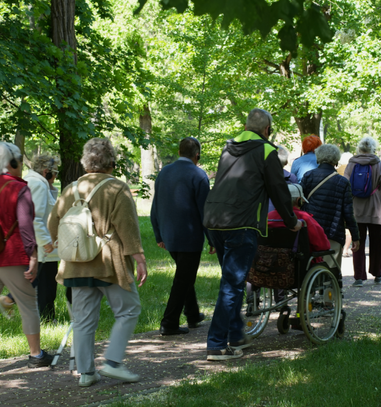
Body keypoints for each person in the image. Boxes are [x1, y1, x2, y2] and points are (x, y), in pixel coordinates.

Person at [48, 138, 147, 387]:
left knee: (82, 320)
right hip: (107, 262)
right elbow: (128, 227)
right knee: (129, 309)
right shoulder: (116, 188)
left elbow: (53, 223)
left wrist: (57, 242)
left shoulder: (71, 188)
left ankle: (87, 373)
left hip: (76, 263)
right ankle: (113, 363)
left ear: (85, 162)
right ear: (111, 162)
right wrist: (139, 258)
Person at [203, 108, 300, 361]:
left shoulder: (229, 148)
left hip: (214, 221)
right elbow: (279, 191)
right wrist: (291, 222)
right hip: (241, 222)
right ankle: (216, 345)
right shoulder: (268, 151)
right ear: (267, 129)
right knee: (232, 285)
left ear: (247, 127)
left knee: (231, 282)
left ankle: (235, 334)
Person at [0, 142, 53, 378]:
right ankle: (36, 355)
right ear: (12, 162)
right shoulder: (19, 189)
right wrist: (33, 255)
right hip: (12, 255)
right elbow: (26, 225)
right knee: (27, 303)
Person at [150, 137, 214, 336]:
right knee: (183, 279)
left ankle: (193, 314)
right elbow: (206, 212)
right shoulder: (199, 175)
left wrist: (158, 233)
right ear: (197, 155)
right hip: (189, 236)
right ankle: (169, 322)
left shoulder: (164, 173)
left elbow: (155, 206)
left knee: (185, 275)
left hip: (169, 235)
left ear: (179, 153)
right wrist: (213, 239)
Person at [344, 137, 381, 287]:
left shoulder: (351, 164)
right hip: (375, 209)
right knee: (376, 242)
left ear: (359, 148)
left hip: (356, 209)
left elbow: (345, 186)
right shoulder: (378, 164)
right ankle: (377, 273)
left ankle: (358, 277)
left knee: (357, 242)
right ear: (373, 148)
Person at [15, 154, 61, 323]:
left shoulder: (35, 182)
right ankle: (46, 319)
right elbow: (36, 218)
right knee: (46, 286)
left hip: (37, 244)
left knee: (43, 283)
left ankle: (43, 317)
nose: (55, 177)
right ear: (46, 171)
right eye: (54, 173)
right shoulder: (38, 185)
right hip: (40, 245)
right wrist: (45, 242)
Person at [300, 144, 360, 269]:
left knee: (310, 266)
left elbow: (300, 202)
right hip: (332, 232)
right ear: (336, 161)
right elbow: (348, 213)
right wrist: (355, 237)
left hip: (310, 230)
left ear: (318, 158)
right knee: (331, 270)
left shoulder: (308, 176)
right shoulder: (342, 182)